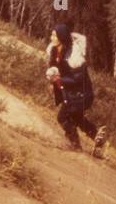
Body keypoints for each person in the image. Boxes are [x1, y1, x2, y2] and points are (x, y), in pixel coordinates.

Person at [46, 23, 107, 155]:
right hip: (71, 94)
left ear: (61, 37)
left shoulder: (74, 56)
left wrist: (58, 79)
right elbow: (57, 70)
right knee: (77, 118)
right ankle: (99, 139)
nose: (51, 38)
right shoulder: (55, 51)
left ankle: (75, 144)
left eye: (54, 35)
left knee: (63, 117)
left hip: (82, 94)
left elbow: (77, 80)